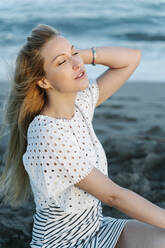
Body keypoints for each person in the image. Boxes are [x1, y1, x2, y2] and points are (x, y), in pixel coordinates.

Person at [0, 24, 165, 248]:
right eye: (61, 62)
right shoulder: (47, 133)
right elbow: (113, 197)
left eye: (74, 52)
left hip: (96, 228)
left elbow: (131, 58)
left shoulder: (79, 105)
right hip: (63, 244)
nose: (76, 63)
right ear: (44, 81)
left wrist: (75, 57)